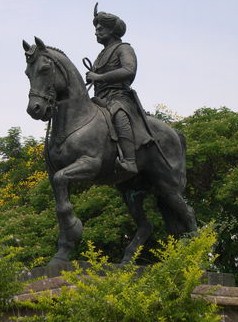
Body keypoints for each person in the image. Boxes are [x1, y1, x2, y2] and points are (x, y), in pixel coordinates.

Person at [86, 5, 151, 174]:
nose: (96, 31)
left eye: (100, 28)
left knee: (119, 113)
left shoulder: (124, 48)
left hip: (119, 97)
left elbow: (129, 70)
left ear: (111, 29)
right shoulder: (100, 55)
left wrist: (99, 77)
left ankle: (130, 160)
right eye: (96, 28)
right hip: (100, 98)